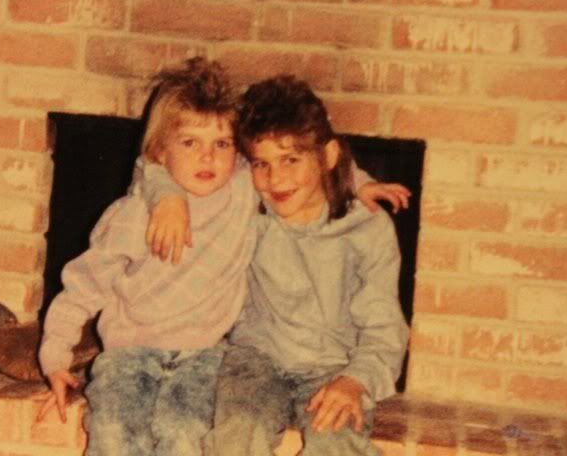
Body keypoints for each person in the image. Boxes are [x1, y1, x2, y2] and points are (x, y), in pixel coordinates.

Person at [146, 75, 409, 455]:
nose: (275, 179)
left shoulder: (367, 227)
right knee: (237, 435)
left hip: (336, 366)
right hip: (257, 361)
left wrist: (356, 380)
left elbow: (385, 328)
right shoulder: (246, 206)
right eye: (261, 164)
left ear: (328, 157)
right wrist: (168, 196)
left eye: (291, 160)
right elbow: (155, 160)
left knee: (335, 441)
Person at [36, 57, 260, 456]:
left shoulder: (244, 193)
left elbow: (302, 161)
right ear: (160, 152)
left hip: (204, 356)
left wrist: (357, 185)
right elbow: (84, 287)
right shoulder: (134, 214)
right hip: (129, 353)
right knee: (113, 431)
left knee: (186, 433)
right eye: (189, 142)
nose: (207, 157)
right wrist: (55, 357)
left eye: (222, 143)